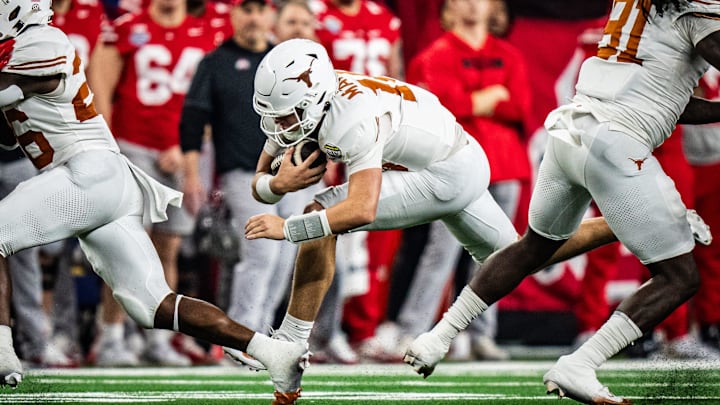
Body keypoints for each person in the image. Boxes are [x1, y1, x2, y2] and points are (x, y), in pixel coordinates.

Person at [241, 37, 624, 402]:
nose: (280, 125)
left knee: (318, 213)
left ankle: (290, 345)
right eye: (273, 114)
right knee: (519, 256)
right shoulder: (306, 100)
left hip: (445, 173)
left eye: (288, 115)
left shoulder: (349, 118)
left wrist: (287, 228)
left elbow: (361, 209)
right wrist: (277, 184)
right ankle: (623, 222)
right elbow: (260, 184)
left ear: (316, 97)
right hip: (459, 157)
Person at [404, 1, 720, 403]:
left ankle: (437, 337)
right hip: (615, 143)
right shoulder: (694, 9)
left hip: (572, 130)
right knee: (680, 277)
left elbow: (669, 101)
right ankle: (581, 364)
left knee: (532, 246)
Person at [0, 0, 310, 392]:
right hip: (103, 180)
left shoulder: (40, 43)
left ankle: (1, 352)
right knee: (155, 305)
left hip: (85, 172)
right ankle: (273, 352)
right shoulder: (22, 49)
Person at [89, 0, 220, 366]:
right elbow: (101, 88)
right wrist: (108, 148)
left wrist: (187, 144)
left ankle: (157, 339)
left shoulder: (207, 33)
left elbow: (215, 102)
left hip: (183, 151)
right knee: (124, 247)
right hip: (132, 146)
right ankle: (111, 337)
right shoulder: (128, 27)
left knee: (168, 250)